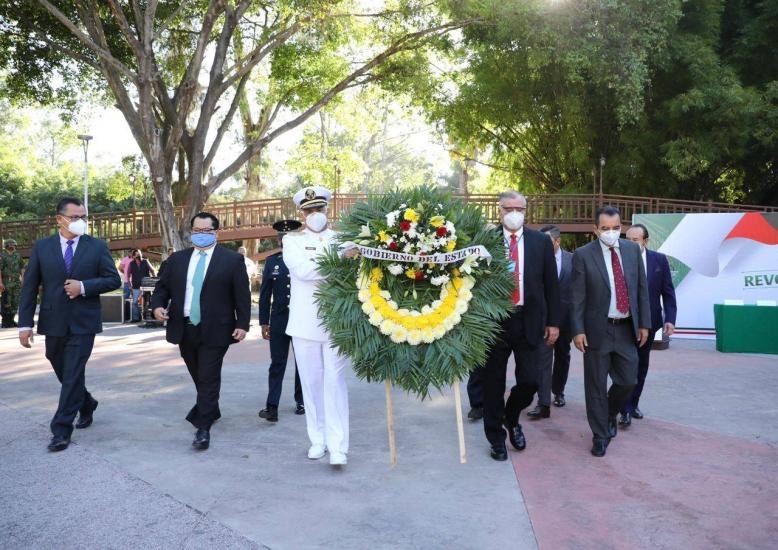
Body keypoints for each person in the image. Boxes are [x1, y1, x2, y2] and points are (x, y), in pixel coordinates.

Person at [18, 197, 121, 452]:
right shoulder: (43, 247)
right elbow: (30, 287)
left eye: (83, 217)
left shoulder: (96, 246)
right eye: (75, 217)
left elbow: (112, 279)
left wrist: (84, 287)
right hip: (53, 320)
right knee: (59, 363)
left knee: (74, 370)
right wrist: (24, 324)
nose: (80, 222)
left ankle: (61, 429)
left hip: (84, 320)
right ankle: (86, 403)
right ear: (59, 219)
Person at [152, 212, 251, 451]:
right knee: (197, 373)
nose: (201, 235)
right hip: (184, 327)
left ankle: (203, 427)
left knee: (208, 375)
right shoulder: (177, 260)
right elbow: (162, 288)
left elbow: (242, 296)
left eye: (206, 231)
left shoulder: (231, 261)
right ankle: (211, 408)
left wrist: (242, 324)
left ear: (216, 233)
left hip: (217, 328)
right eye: (197, 230)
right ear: (191, 232)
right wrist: (157, 306)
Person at [482, 191, 560, 461]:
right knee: (492, 384)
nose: (514, 213)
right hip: (493, 322)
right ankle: (496, 439)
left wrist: (554, 322)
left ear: (526, 211)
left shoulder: (541, 242)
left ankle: (511, 417)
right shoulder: (484, 242)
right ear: (499, 210)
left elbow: (552, 285)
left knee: (530, 381)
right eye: (508, 208)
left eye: (520, 208)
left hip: (529, 320)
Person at [570, 206, 651, 457]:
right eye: (605, 229)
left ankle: (608, 414)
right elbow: (577, 298)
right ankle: (600, 435)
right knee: (595, 386)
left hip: (627, 328)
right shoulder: (583, 255)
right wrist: (577, 330)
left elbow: (641, 289)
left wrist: (644, 323)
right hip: (597, 330)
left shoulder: (631, 251)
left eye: (616, 228)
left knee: (628, 381)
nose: (611, 233)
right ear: (596, 230)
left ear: (621, 227)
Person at [284, 186, 350, 466]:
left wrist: (339, 261)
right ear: (302, 213)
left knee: (335, 383)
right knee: (311, 384)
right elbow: (302, 271)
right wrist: (338, 262)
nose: (315, 215)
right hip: (304, 324)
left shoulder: (343, 240)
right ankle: (317, 440)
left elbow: (349, 271)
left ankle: (338, 446)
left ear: (327, 210)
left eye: (319, 209)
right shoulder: (292, 240)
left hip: (337, 321)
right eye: (309, 210)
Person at [619, 223, 677, 426]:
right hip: (624, 323)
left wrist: (670, 318)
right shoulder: (618, 259)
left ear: (645, 241)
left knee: (641, 366)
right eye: (627, 239)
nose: (630, 243)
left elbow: (668, 292)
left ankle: (632, 405)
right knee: (626, 366)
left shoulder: (659, 260)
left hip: (650, 322)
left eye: (635, 240)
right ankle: (623, 407)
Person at [258, 220, 305, 422]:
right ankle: (272, 406)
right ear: (278, 239)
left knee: (302, 362)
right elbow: (264, 294)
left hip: (302, 319)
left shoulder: (305, 258)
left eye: (289, 236)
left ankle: (302, 401)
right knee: (277, 362)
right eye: (282, 237)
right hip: (278, 320)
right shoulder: (272, 261)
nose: (285, 240)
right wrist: (263, 322)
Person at [527, 225, 574, 418]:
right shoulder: (535, 260)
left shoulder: (573, 259)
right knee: (543, 359)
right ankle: (543, 403)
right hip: (544, 319)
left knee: (563, 356)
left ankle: (559, 390)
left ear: (557, 241)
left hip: (568, 319)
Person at [127, 249, 156, 322]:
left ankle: (146, 317)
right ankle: (136, 318)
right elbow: (128, 275)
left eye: (138, 254)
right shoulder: (131, 264)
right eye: (136, 255)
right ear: (133, 256)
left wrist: (154, 281)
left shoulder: (145, 261)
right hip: (136, 286)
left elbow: (152, 270)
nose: (137, 256)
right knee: (134, 302)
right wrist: (130, 286)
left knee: (146, 302)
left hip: (146, 286)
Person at [1, 239, 24, 327]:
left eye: (13, 245)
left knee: (15, 302)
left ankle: (11, 320)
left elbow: (22, 268)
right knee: (6, 302)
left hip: (16, 282)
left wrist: (23, 280)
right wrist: (0, 283)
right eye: (10, 245)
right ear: (6, 245)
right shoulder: (2, 256)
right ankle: (5, 322)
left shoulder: (17, 256)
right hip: (6, 282)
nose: (12, 246)